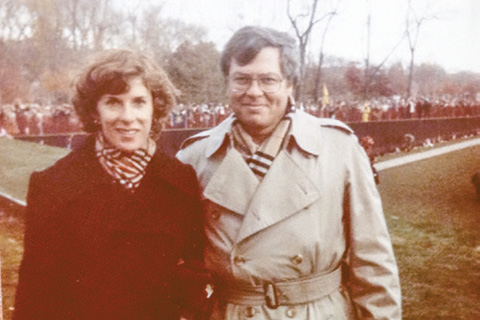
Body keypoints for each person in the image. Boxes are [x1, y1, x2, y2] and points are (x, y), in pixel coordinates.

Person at [177, 26, 401, 319]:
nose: (253, 92)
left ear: (290, 84)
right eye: (241, 79)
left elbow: (373, 261)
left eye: (268, 80)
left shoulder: (338, 148)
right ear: (227, 83)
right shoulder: (195, 157)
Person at [14, 49, 212, 320]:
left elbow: (194, 279)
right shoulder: (53, 186)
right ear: (95, 110)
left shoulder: (180, 181)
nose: (128, 116)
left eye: (139, 102)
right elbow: (35, 299)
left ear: (155, 108)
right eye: (113, 103)